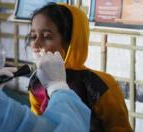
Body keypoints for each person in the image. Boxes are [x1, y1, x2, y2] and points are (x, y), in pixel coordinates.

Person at [27, 2, 133, 132]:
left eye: (47, 36)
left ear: (71, 41)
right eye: (33, 36)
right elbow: (37, 126)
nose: (35, 44)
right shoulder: (36, 83)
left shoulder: (100, 85)